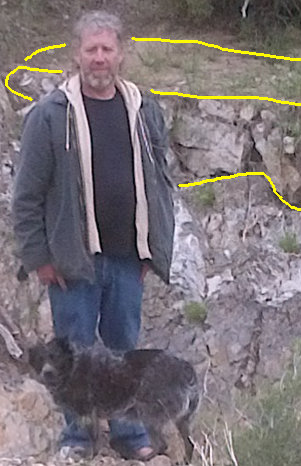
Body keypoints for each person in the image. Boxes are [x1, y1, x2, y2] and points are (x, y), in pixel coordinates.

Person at [12, 10, 174, 461]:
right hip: (72, 261)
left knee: (123, 351)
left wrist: (153, 249)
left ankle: (127, 435)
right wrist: (39, 259)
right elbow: (25, 197)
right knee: (75, 354)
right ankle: (78, 437)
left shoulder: (144, 109)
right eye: (91, 50)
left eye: (107, 49)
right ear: (76, 54)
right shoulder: (50, 115)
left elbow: (162, 179)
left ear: (121, 53)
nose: (99, 58)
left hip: (128, 257)